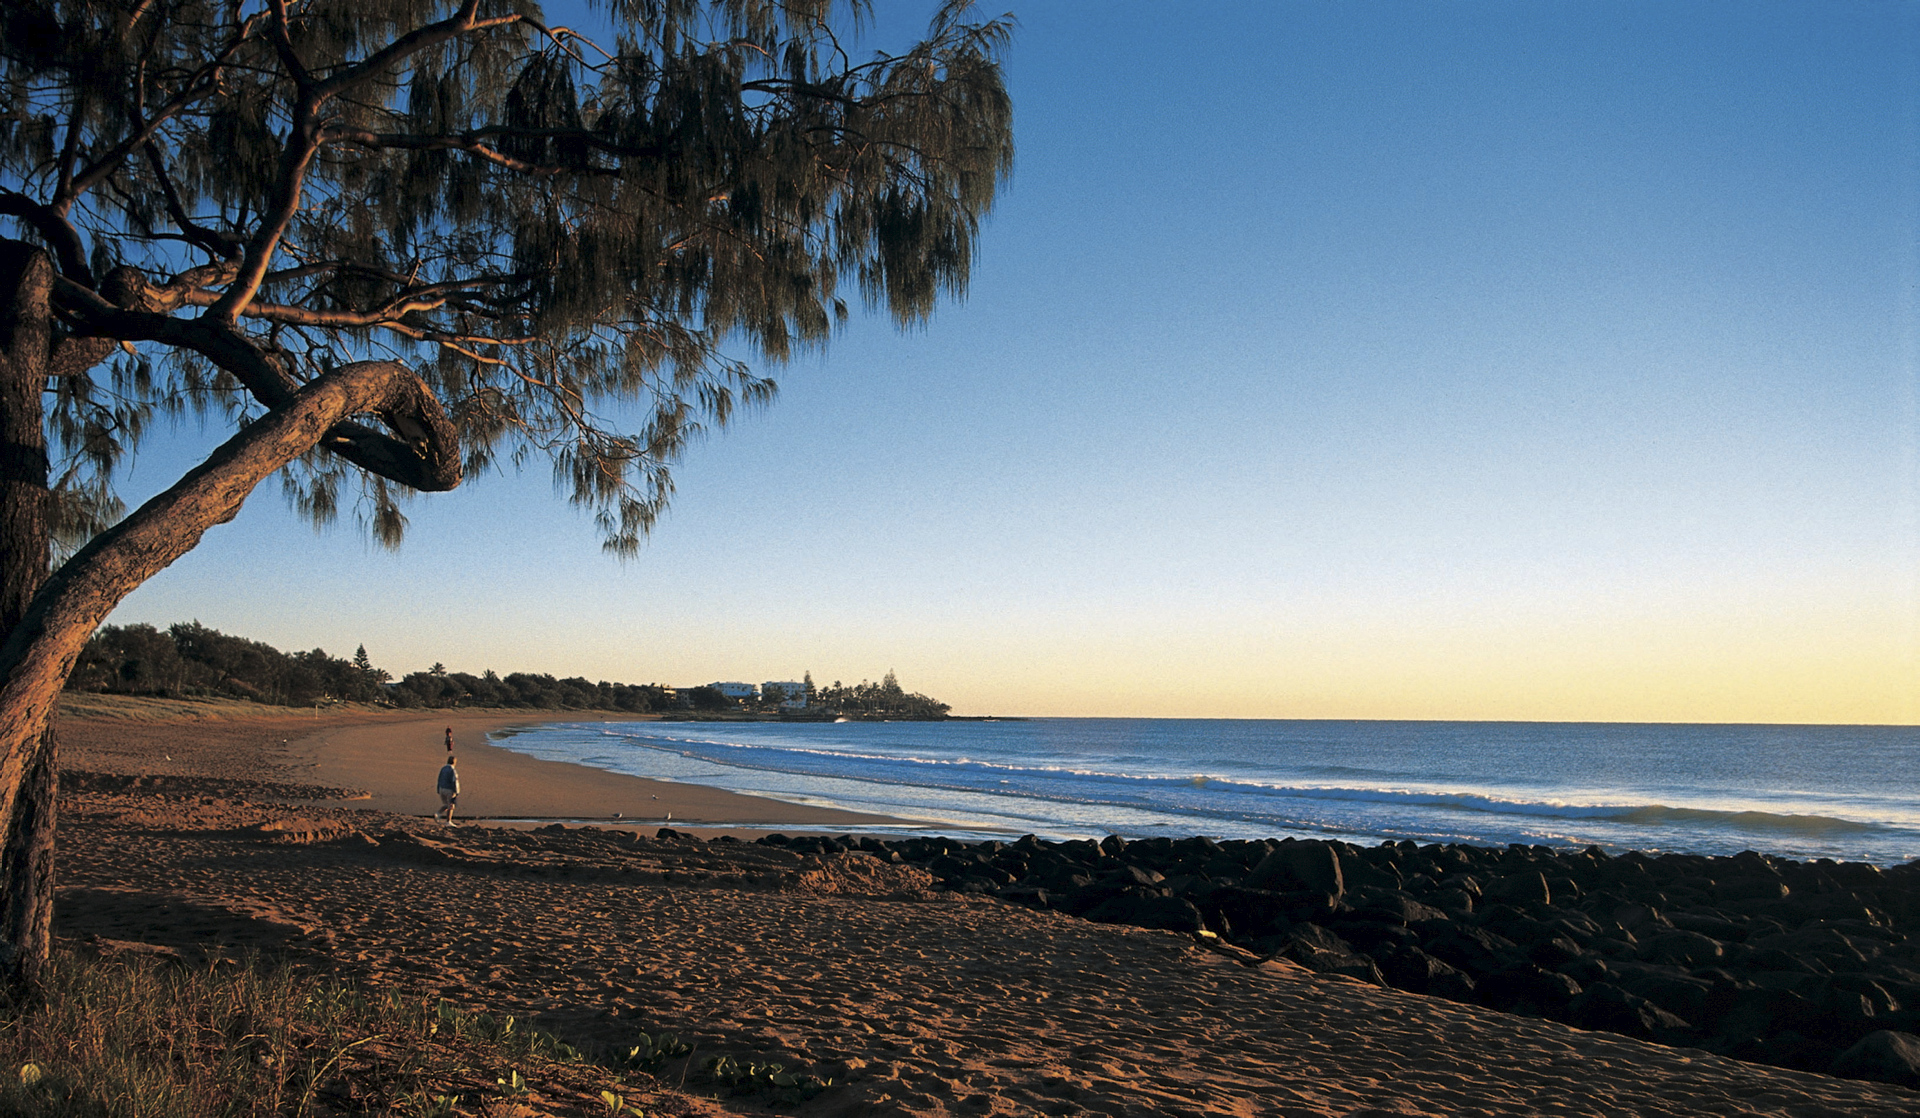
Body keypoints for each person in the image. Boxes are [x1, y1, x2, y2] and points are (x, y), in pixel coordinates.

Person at [436, 755, 460, 825]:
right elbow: (455, 781)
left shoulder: (443, 769)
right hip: (449, 789)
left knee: (446, 804)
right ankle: (448, 821)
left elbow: (439, 779)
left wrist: (438, 789)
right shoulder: (452, 770)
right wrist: (457, 791)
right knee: (451, 805)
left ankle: (438, 813)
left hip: (441, 788)